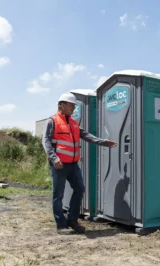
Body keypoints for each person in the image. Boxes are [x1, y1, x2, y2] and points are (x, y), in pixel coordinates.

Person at [42, 92, 117, 234]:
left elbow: (87, 136)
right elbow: (45, 141)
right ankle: (61, 224)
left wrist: (103, 142)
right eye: (71, 105)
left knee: (80, 189)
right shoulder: (52, 121)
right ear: (62, 105)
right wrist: (54, 158)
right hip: (59, 164)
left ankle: (72, 219)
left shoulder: (74, 123)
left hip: (73, 164)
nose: (74, 108)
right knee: (58, 194)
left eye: (75, 106)